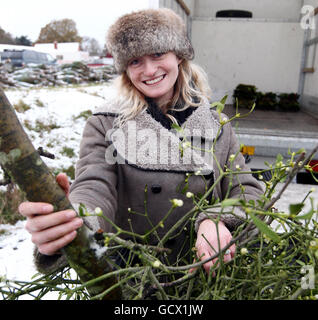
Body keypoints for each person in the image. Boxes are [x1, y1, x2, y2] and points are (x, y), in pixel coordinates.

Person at [18, 8, 263, 275]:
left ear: (179, 56)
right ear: (125, 69)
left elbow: (248, 193)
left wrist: (216, 220)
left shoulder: (217, 126)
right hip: (132, 278)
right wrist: (75, 218)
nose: (149, 70)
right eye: (135, 61)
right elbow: (94, 185)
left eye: (158, 54)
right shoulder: (106, 123)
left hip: (207, 277)